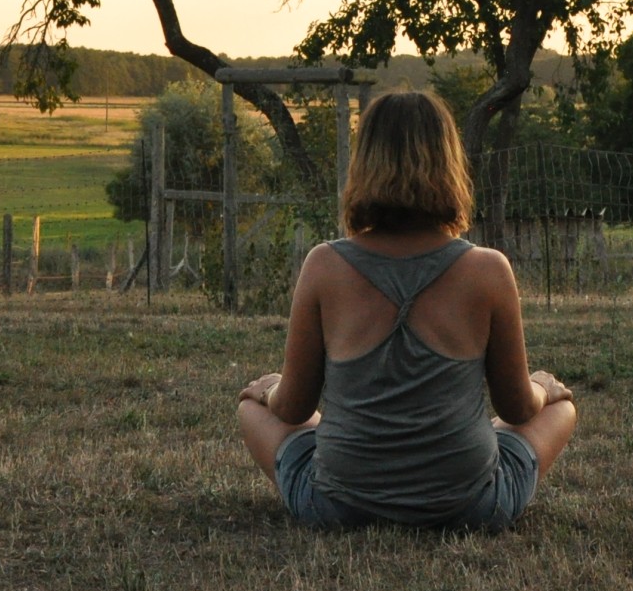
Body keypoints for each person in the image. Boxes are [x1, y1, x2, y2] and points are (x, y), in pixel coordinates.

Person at [234, 89, 577, 531]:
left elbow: (294, 409)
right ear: (450, 163)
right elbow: (517, 410)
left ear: (364, 165)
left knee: (250, 410)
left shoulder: (324, 264)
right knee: (562, 410)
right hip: (471, 507)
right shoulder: (489, 270)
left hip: (339, 507)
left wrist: (267, 390)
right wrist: (544, 389)